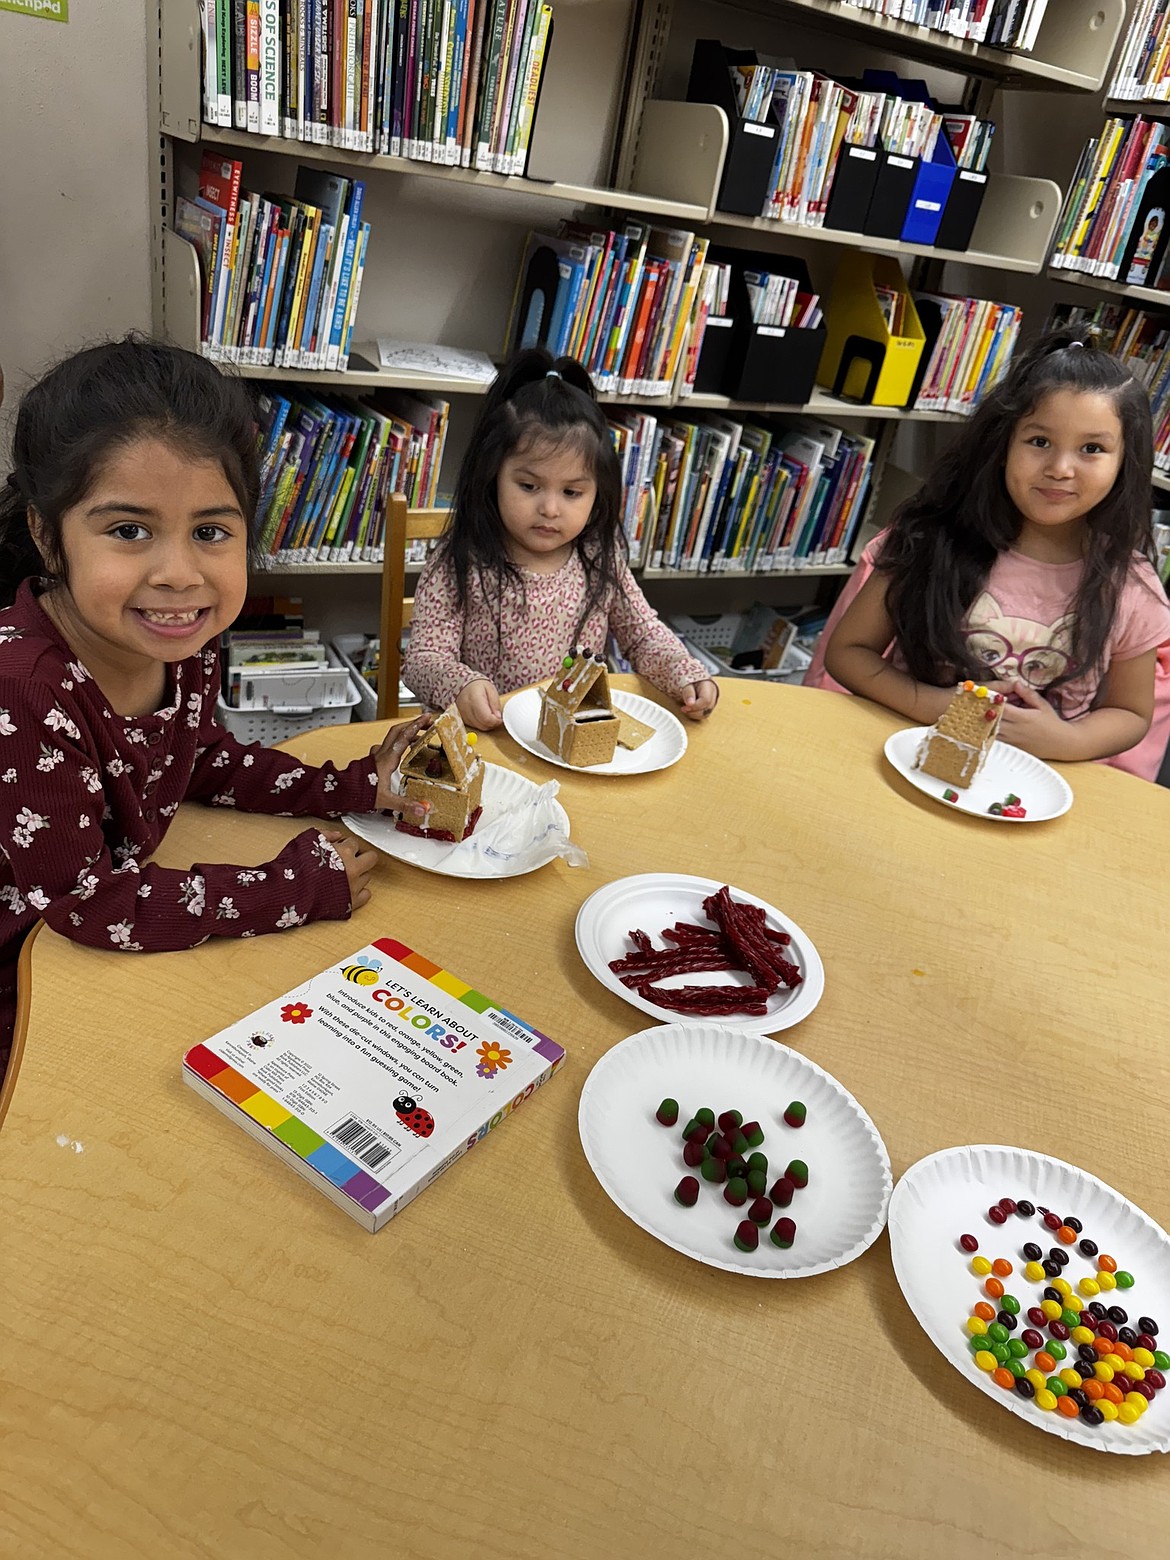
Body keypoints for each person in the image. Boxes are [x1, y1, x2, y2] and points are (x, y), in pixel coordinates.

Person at [0, 338, 428, 1083]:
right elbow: (91, 907)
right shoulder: (23, 689)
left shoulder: (176, 642)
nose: (178, 574)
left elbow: (201, 759)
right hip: (34, 992)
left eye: (210, 531)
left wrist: (352, 787)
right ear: (46, 534)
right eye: (129, 531)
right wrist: (290, 889)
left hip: (122, 945)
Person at [807, 330, 1170, 780]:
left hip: (1030, 785)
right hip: (906, 760)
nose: (1060, 468)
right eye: (1039, 441)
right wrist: (929, 704)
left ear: (1124, 464)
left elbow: (1131, 714)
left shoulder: (1130, 585)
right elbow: (848, 653)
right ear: (1002, 447)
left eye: (1092, 449)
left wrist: (1067, 739)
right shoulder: (930, 537)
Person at [402, 348, 718, 728]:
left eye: (572, 493)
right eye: (529, 485)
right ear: (492, 476)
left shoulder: (599, 555)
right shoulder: (460, 560)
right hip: (488, 741)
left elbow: (642, 634)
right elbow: (422, 660)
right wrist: (461, 685)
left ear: (597, 491)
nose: (550, 509)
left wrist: (683, 672)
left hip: (574, 739)